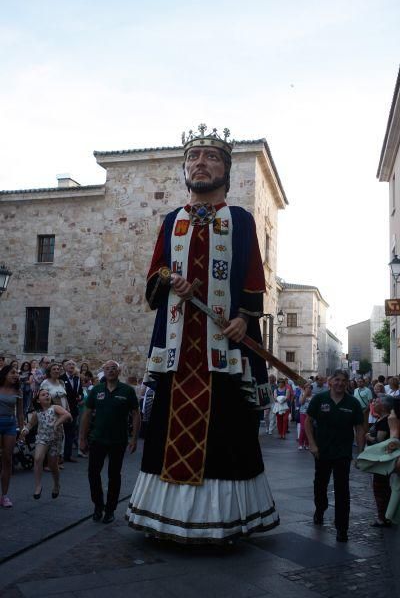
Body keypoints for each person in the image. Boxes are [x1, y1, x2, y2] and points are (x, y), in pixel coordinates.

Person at [126, 125, 279, 543]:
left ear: (225, 170)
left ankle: (224, 519)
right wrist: (167, 279)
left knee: (226, 437)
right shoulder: (171, 221)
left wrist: (245, 320)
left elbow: (253, 278)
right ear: (185, 169)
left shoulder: (241, 220)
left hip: (221, 351)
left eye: (210, 157)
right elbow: (152, 284)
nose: (200, 164)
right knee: (164, 434)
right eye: (194, 158)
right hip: (175, 349)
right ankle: (164, 517)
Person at [305, 369, 364, 542]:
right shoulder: (319, 399)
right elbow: (308, 420)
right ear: (330, 382)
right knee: (320, 485)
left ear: (347, 383)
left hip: (343, 453)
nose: (340, 383)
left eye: (343, 380)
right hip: (322, 451)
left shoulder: (352, 403)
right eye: (336, 380)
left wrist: (360, 453)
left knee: (342, 490)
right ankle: (320, 508)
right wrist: (312, 444)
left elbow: (359, 428)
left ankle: (342, 528)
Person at [80, 360, 140, 524]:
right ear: (103, 372)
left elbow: (135, 414)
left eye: (113, 368)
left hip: (118, 440)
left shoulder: (127, 390)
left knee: (114, 475)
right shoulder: (97, 390)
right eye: (107, 369)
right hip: (97, 438)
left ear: (118, 372)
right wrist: (82, 438)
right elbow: (86, 414)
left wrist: (134, 438)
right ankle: (98, 505)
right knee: (93, 473)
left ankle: (110, 509)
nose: (110, 371)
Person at [21, 388, 71, 499]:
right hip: (42, 438)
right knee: (38, 458)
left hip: (55, 439)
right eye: (43, 395)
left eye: (48, 394)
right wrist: (25, 430)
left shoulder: (55, 408)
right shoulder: (37, 413)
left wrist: (57, 423)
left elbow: (67, 415)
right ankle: (38, 486)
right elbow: (30, 424)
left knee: (53, 465)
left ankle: (56, 484)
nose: (47, 396)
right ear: (38, 400)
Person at [364, 394, 392, 527]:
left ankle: (384, 516)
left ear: (383, 406)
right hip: (380, 459)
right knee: (382, 487)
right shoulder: (381, 418)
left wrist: (368, 437)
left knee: (380, 487)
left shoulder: (385, 421)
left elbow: (379, 441)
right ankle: (387, 514)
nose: (373, 403)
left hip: (382, 460)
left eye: (376, 401)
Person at [0, 364, 24, 507]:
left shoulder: (18, 391)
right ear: (4, 374)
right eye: (13, 372)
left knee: (7, 460)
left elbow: (20, 413)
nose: (16, 375)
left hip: (10, 424)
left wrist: (22, 430)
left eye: (17, 373)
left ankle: (5, 495)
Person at [60, 360, 83, 463]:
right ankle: (57, 456)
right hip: (62, 409)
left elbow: (81, 392)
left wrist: (80, 397)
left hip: (73, 409)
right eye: (69, 364)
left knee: (70, 433)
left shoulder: (78, 379)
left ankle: (67, 455)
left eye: (73, 364)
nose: (71, 366)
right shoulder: (61, 379)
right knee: (60, 433)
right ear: (65, 367)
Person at [298, 382, 312, 450]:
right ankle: (300, 443)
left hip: (310, 415)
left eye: (309, 388)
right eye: (307, 387)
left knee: (308, 429)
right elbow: (301, 402)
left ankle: (307, 443)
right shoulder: (302, 394)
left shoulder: (313, 396)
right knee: (303, 428)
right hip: (303, 413)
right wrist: (305, 394)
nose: (308, 389)